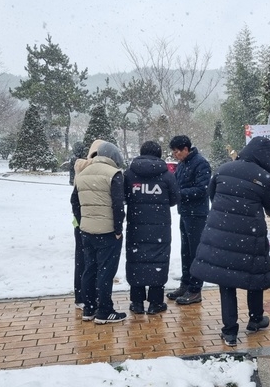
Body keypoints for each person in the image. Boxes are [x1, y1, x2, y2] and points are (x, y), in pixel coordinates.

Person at [190, 136, 270, 347]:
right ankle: (256, 319)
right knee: (253, 277)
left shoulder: (223, 169)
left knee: (226, 281)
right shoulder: (265, 178)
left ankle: (230, 332)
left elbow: (213, 196)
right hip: (250, 235)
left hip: (220, 234)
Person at [71, 141, 127, 324]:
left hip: (86, 231)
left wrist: (81, 222)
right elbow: (118, 204)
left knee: (89, 269)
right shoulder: (114, 174)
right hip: (108, 231)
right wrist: (118, 229)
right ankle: (104, 311)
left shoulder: (81, 173)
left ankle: (89, 308)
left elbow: (74, 202)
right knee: (106, 271)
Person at [123, 140, 180, 315]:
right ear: (159, 154)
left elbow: (124, 196)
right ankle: (155, 303)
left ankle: (137, 302)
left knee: (136, 260)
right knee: (158, 260)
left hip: (136, 225)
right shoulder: (166, 175)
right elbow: (174, 199)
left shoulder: (130, 174)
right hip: (159, 227)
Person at [166, 135, 212, 305]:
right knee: (185, 252)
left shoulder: (201, 163)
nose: (175, 154)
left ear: (186, 149)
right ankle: (185, 284)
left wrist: (179, 194)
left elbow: (202, 189)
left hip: (197, 214)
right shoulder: (182, 165)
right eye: (174, 152)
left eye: (177, 151)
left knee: (195, 253)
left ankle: (195, 289)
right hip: (185, 212)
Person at [71, 139, 106, 309]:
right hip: (99, 223)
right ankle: (96, 296)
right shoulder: (105, 171)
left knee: (82, 261)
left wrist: (80, 220)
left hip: (81, 224)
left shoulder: (81, 169)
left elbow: (74, 200)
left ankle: (81, 296)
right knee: (98, 263)